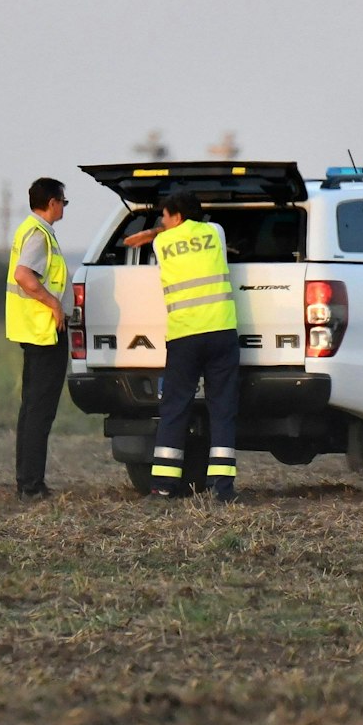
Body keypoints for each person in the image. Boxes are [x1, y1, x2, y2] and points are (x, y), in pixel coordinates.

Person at [122, 191, 240, 501]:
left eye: (164, 215)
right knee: (223, 410)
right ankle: (222, 488)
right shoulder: (216, 233)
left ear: (176, 216)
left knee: (175, 409)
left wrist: (149, 232)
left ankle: (163, 486)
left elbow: (165, 234)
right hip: (221, 332)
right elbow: (190, 231)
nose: (161, 220)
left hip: (185, 336)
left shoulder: (161, 244)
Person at [7, 177, 69, 499]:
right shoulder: (38, 234)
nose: (64, 208)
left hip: (34, 331)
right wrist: (54, 303)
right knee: (39, 411)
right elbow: (23, 275)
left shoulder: (30, 230)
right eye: (64, 202)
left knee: (32, 409)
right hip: (44, 333)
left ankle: (28, 482)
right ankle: (31, 485)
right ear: (53, 202)